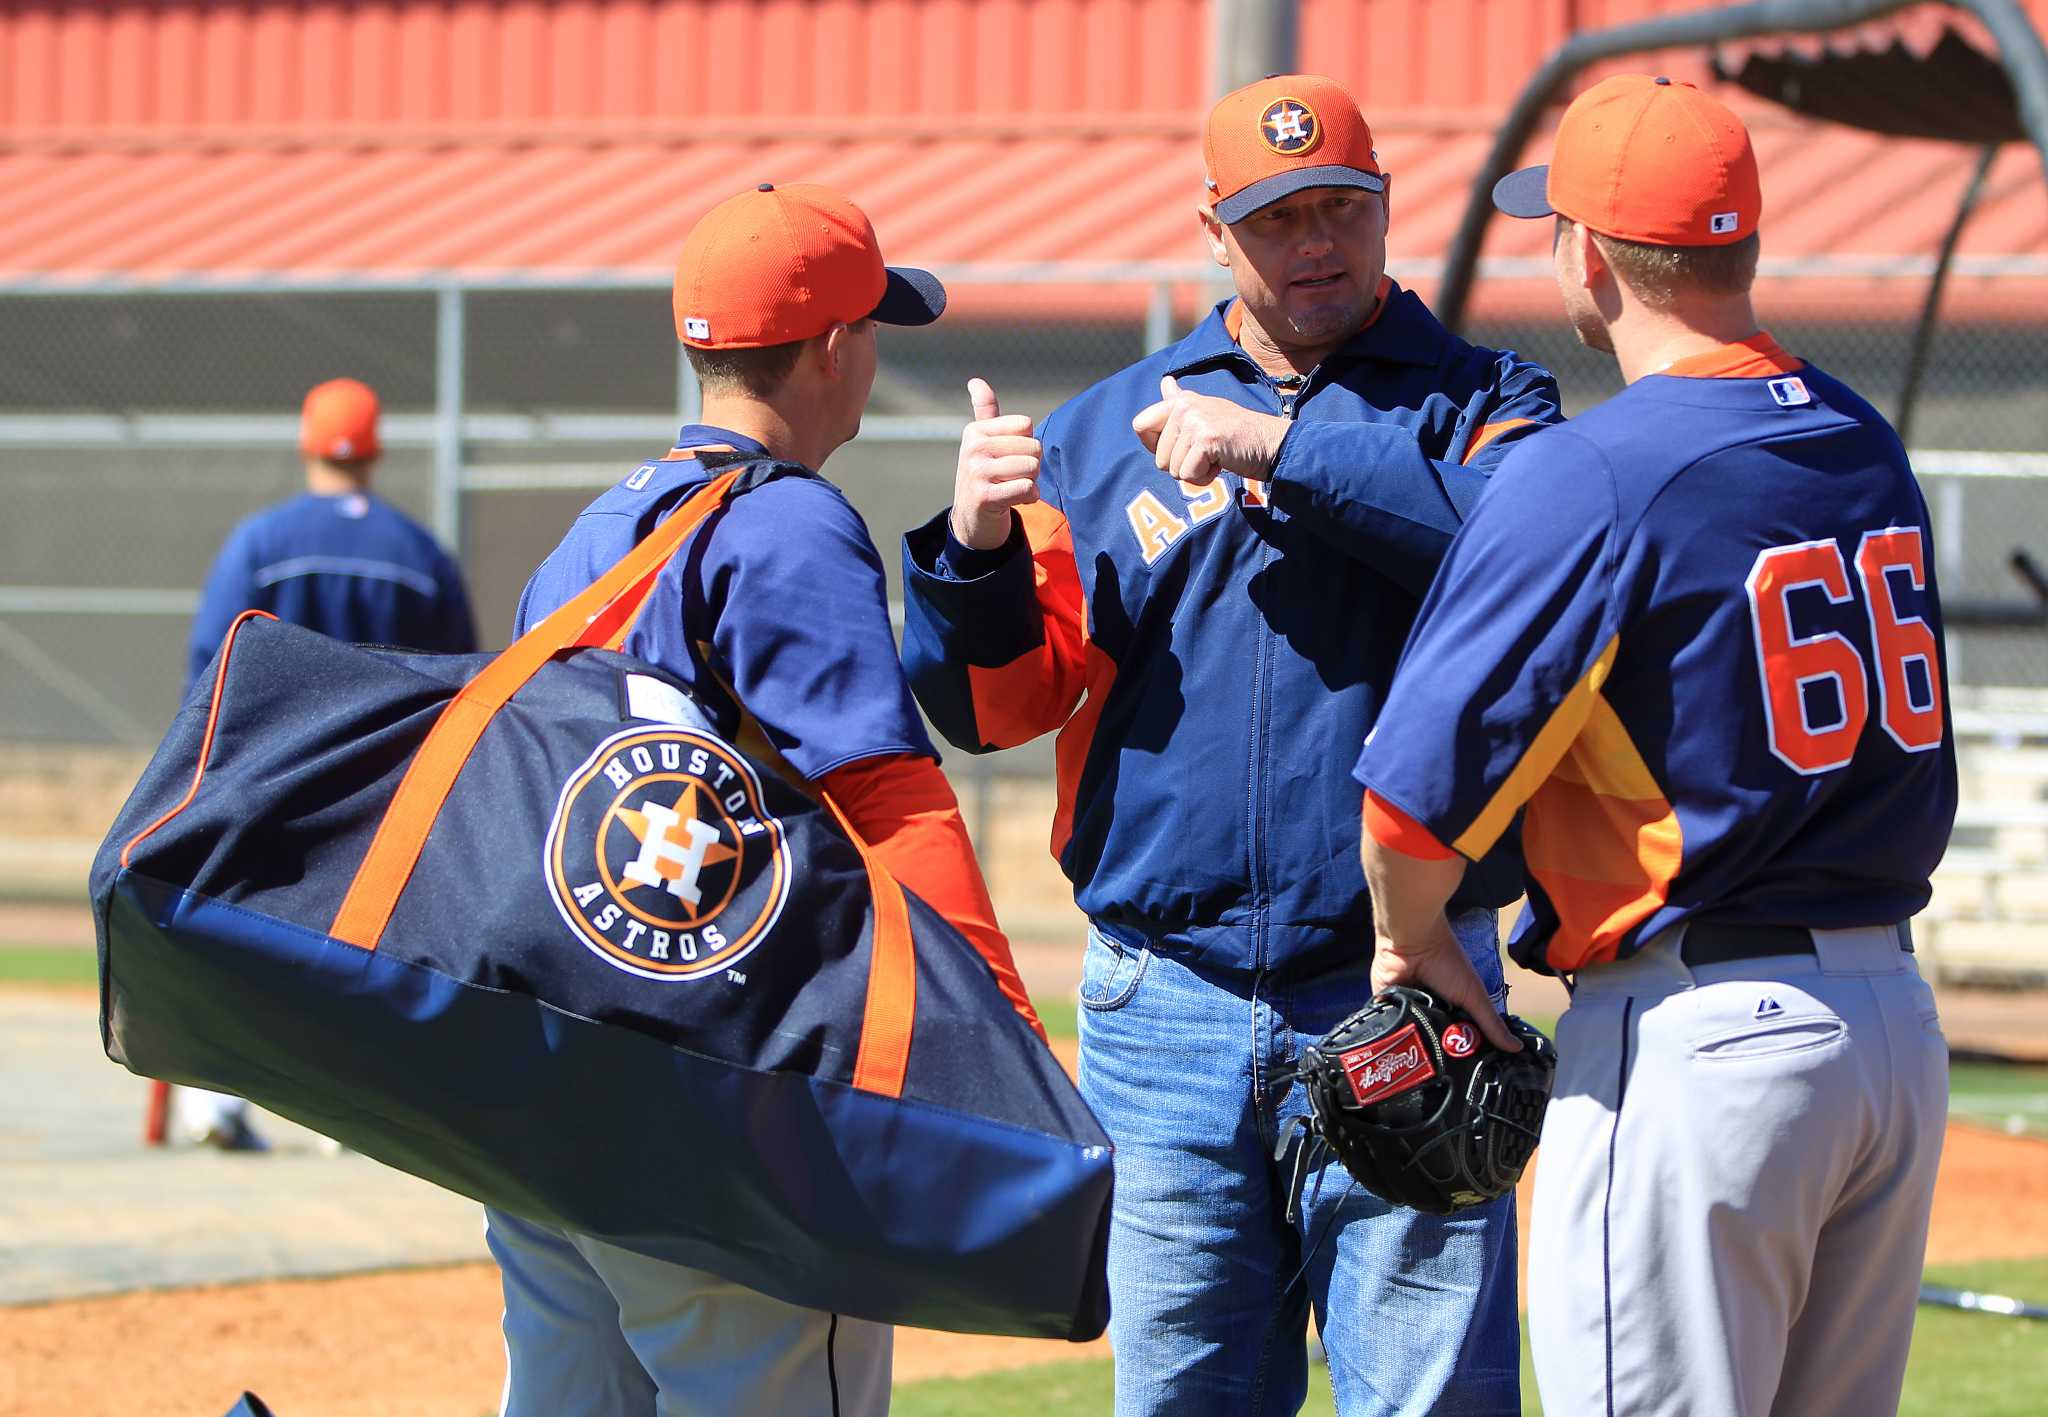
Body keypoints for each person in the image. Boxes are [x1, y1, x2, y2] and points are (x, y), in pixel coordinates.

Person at [900, 74, 1562, 1416]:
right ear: (1215, 230)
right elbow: (992, 709)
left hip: (1405, 984)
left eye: (1340, 209)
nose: (1315, 243)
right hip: (1167, 1006)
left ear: (1385, 213)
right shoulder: (1108, 429)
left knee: (1429, 1400)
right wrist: (970, 554)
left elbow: (1529, 563)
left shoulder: (1486, 401)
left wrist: (1282, 447)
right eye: (1277, 219)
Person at [1355, 75, 1953, 1417]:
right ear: (1743, 242)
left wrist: (1418, 948)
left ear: (1585, 256)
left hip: (1707, 1042)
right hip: (1895, 1038)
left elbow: (1406, 809)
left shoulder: (1597, 469)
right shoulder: (1862, 438)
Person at [488, 181, 1041, 1417]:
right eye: (873, 333)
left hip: (546, 1083)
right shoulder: (785, 522)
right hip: (710, 1094)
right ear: (836, 347)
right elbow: (889, 805)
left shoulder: (594, 530)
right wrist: (1000, 1042)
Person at [170, 376, 477, 1152]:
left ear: (309, 442)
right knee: (364, 932)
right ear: (375, 450)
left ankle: (216, 1105)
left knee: (235, 924)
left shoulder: (263, 541)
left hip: (270, 773)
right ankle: (351, 1115)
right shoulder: (419, 552)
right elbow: (462, 676)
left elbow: (213, 665)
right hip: (384, 782)